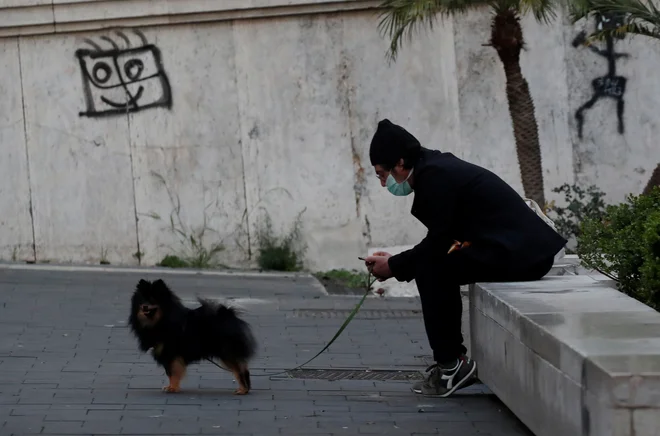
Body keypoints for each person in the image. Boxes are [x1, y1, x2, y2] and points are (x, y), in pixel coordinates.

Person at [364, 119, 567, 398]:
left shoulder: (435, 176)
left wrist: (394, 266)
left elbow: (437, 245)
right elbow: (444, 239)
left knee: (432, 270)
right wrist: (398, 262)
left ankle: (451, 365)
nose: (383, 183)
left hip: (524, 255)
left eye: (381, 174)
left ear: (399, 163)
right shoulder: (434, 169)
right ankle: (451, 363)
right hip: (517, 250)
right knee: (433, 264)